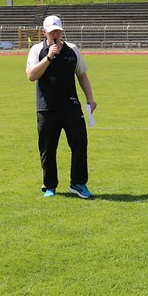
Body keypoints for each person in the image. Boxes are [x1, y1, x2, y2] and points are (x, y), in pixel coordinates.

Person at [26, 14, 97, 199]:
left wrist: (90, 98)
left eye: (58, 31)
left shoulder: (72, 50)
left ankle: (78, 183)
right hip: (46, 108)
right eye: (52, 32)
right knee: (48, 149)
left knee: (80, 144)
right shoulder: (37, 50)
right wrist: (49, 57)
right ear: (44, 32)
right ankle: (49, 185)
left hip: (71, 107)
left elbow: (82, 74)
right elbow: (31, 75)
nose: (55, 34)